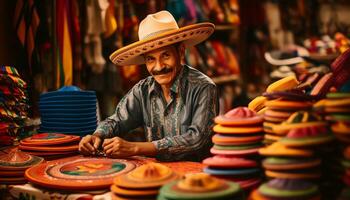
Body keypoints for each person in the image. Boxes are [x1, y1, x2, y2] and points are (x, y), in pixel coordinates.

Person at [79, 10, 219, 161]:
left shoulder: (203, 87)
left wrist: (134, 148)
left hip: (196, 179)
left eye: (166, 55)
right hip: (154, 174)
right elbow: (117, 120)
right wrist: (97, 135)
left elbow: (196, 139)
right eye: (151, 59)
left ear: (181, 52)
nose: (158, 67)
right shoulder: (142, 90)